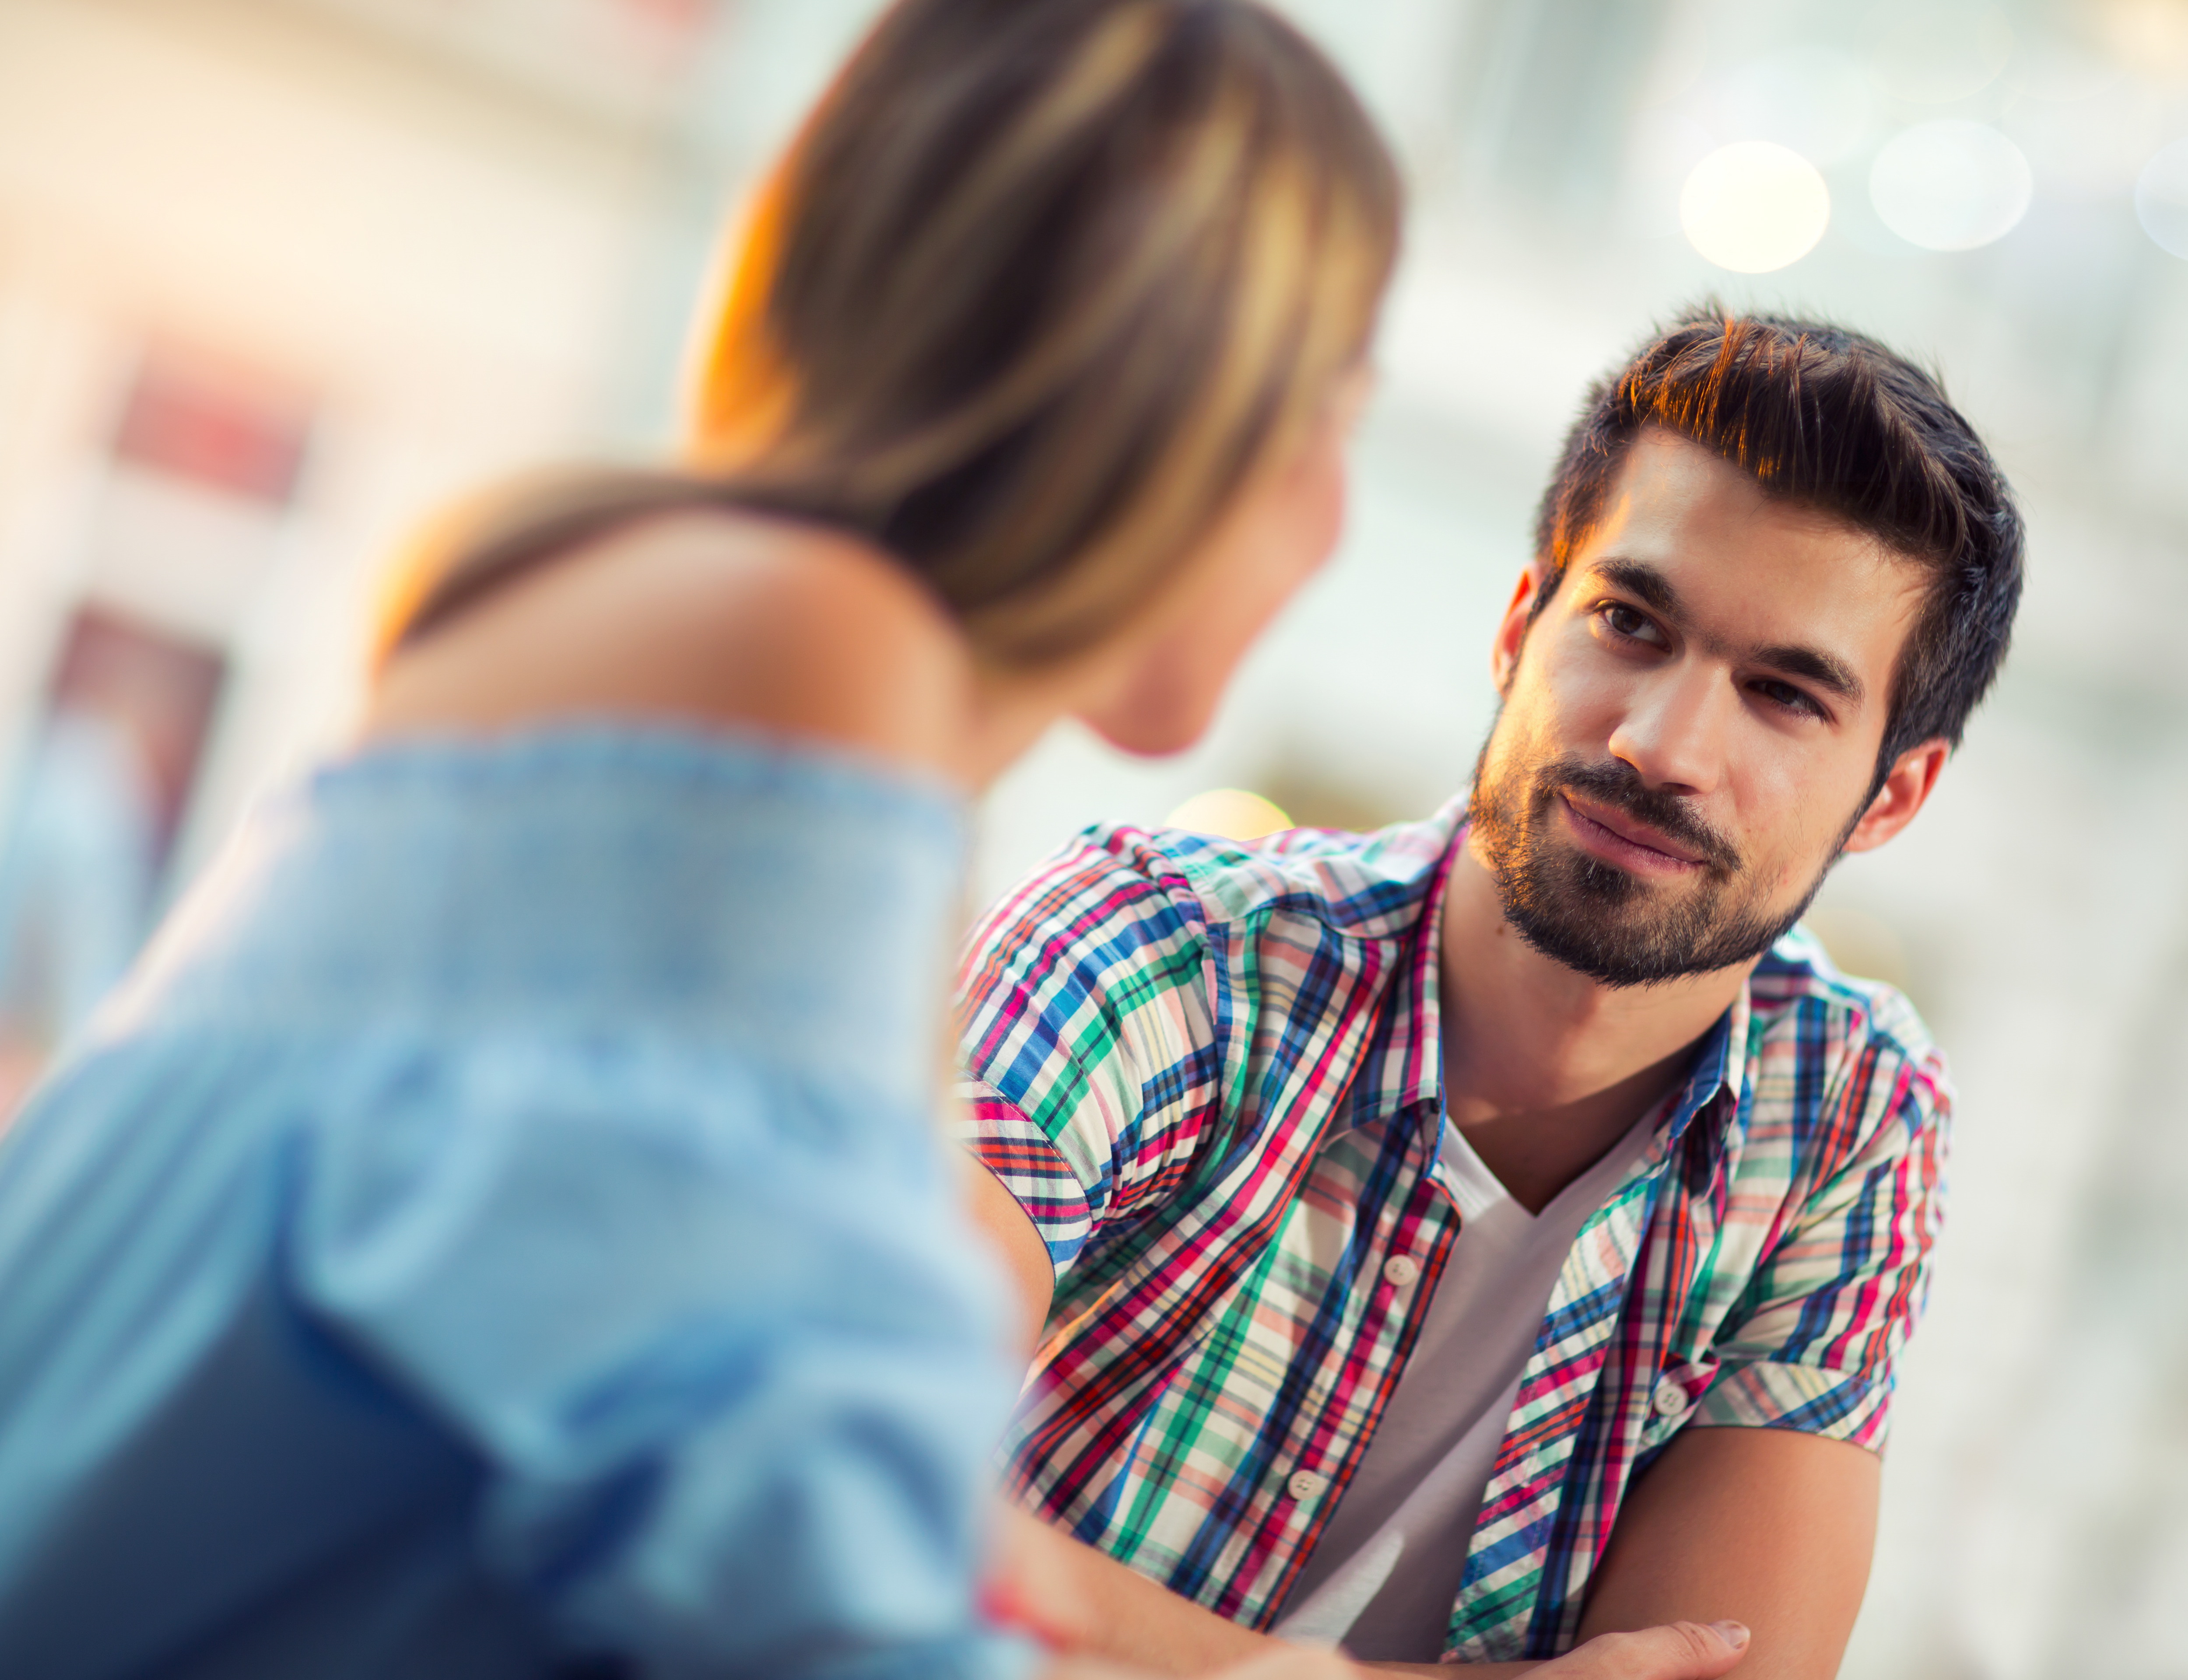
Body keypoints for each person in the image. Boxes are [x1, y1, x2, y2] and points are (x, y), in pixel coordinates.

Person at [0, 3, 1435, 1676]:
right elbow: (788, 1557)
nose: (1336, 512)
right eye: (1333, 405)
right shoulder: (811, 656)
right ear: (1173, 390)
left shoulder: (646, 619)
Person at [956, 309, 2028, 1677]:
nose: (1663, 745)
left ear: (1895, 794)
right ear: (1524, 624)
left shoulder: (1844, 1111)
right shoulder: (1160, 952)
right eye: (1631, 624)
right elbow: (831, 1478)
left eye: (1785, 695)